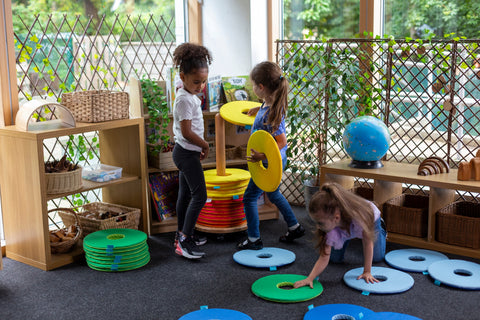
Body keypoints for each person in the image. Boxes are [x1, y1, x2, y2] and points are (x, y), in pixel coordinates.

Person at [237, 61, 305, 250]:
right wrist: (257, 109)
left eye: (253, 86)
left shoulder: (271, 113)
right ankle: (294, 226)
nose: (252, 88)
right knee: (273, 193)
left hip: (267, 161)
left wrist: (261, 156)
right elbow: (267, 109)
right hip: (271, 159)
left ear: (261, 87)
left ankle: (253, 239)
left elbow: (281, 142)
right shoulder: (270, 103)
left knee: (249, 197)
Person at [294, 182, 387, 288]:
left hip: (370, 219)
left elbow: (368, 243)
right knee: (335, 259)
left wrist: (367, 271)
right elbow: (324, 257)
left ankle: (381, 229)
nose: (318, 227)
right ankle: (346, 235)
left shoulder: (361, 217)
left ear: (336, 218)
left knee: (377, 257)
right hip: (342, 225)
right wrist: (310, 278)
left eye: (320, 223)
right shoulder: (330, 223)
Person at [171, 42, 212, 259]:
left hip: (187, 152)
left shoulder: (187, 95)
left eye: (204, 81)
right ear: (183, 75)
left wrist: (199, 147)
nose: (201, 86)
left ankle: (182, 234)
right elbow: (187, 132)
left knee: (186, 195)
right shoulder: (184, 100)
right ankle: (184, 240)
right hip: (186, 153)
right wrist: (204, 145)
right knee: (200, 195)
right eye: (196, 82)